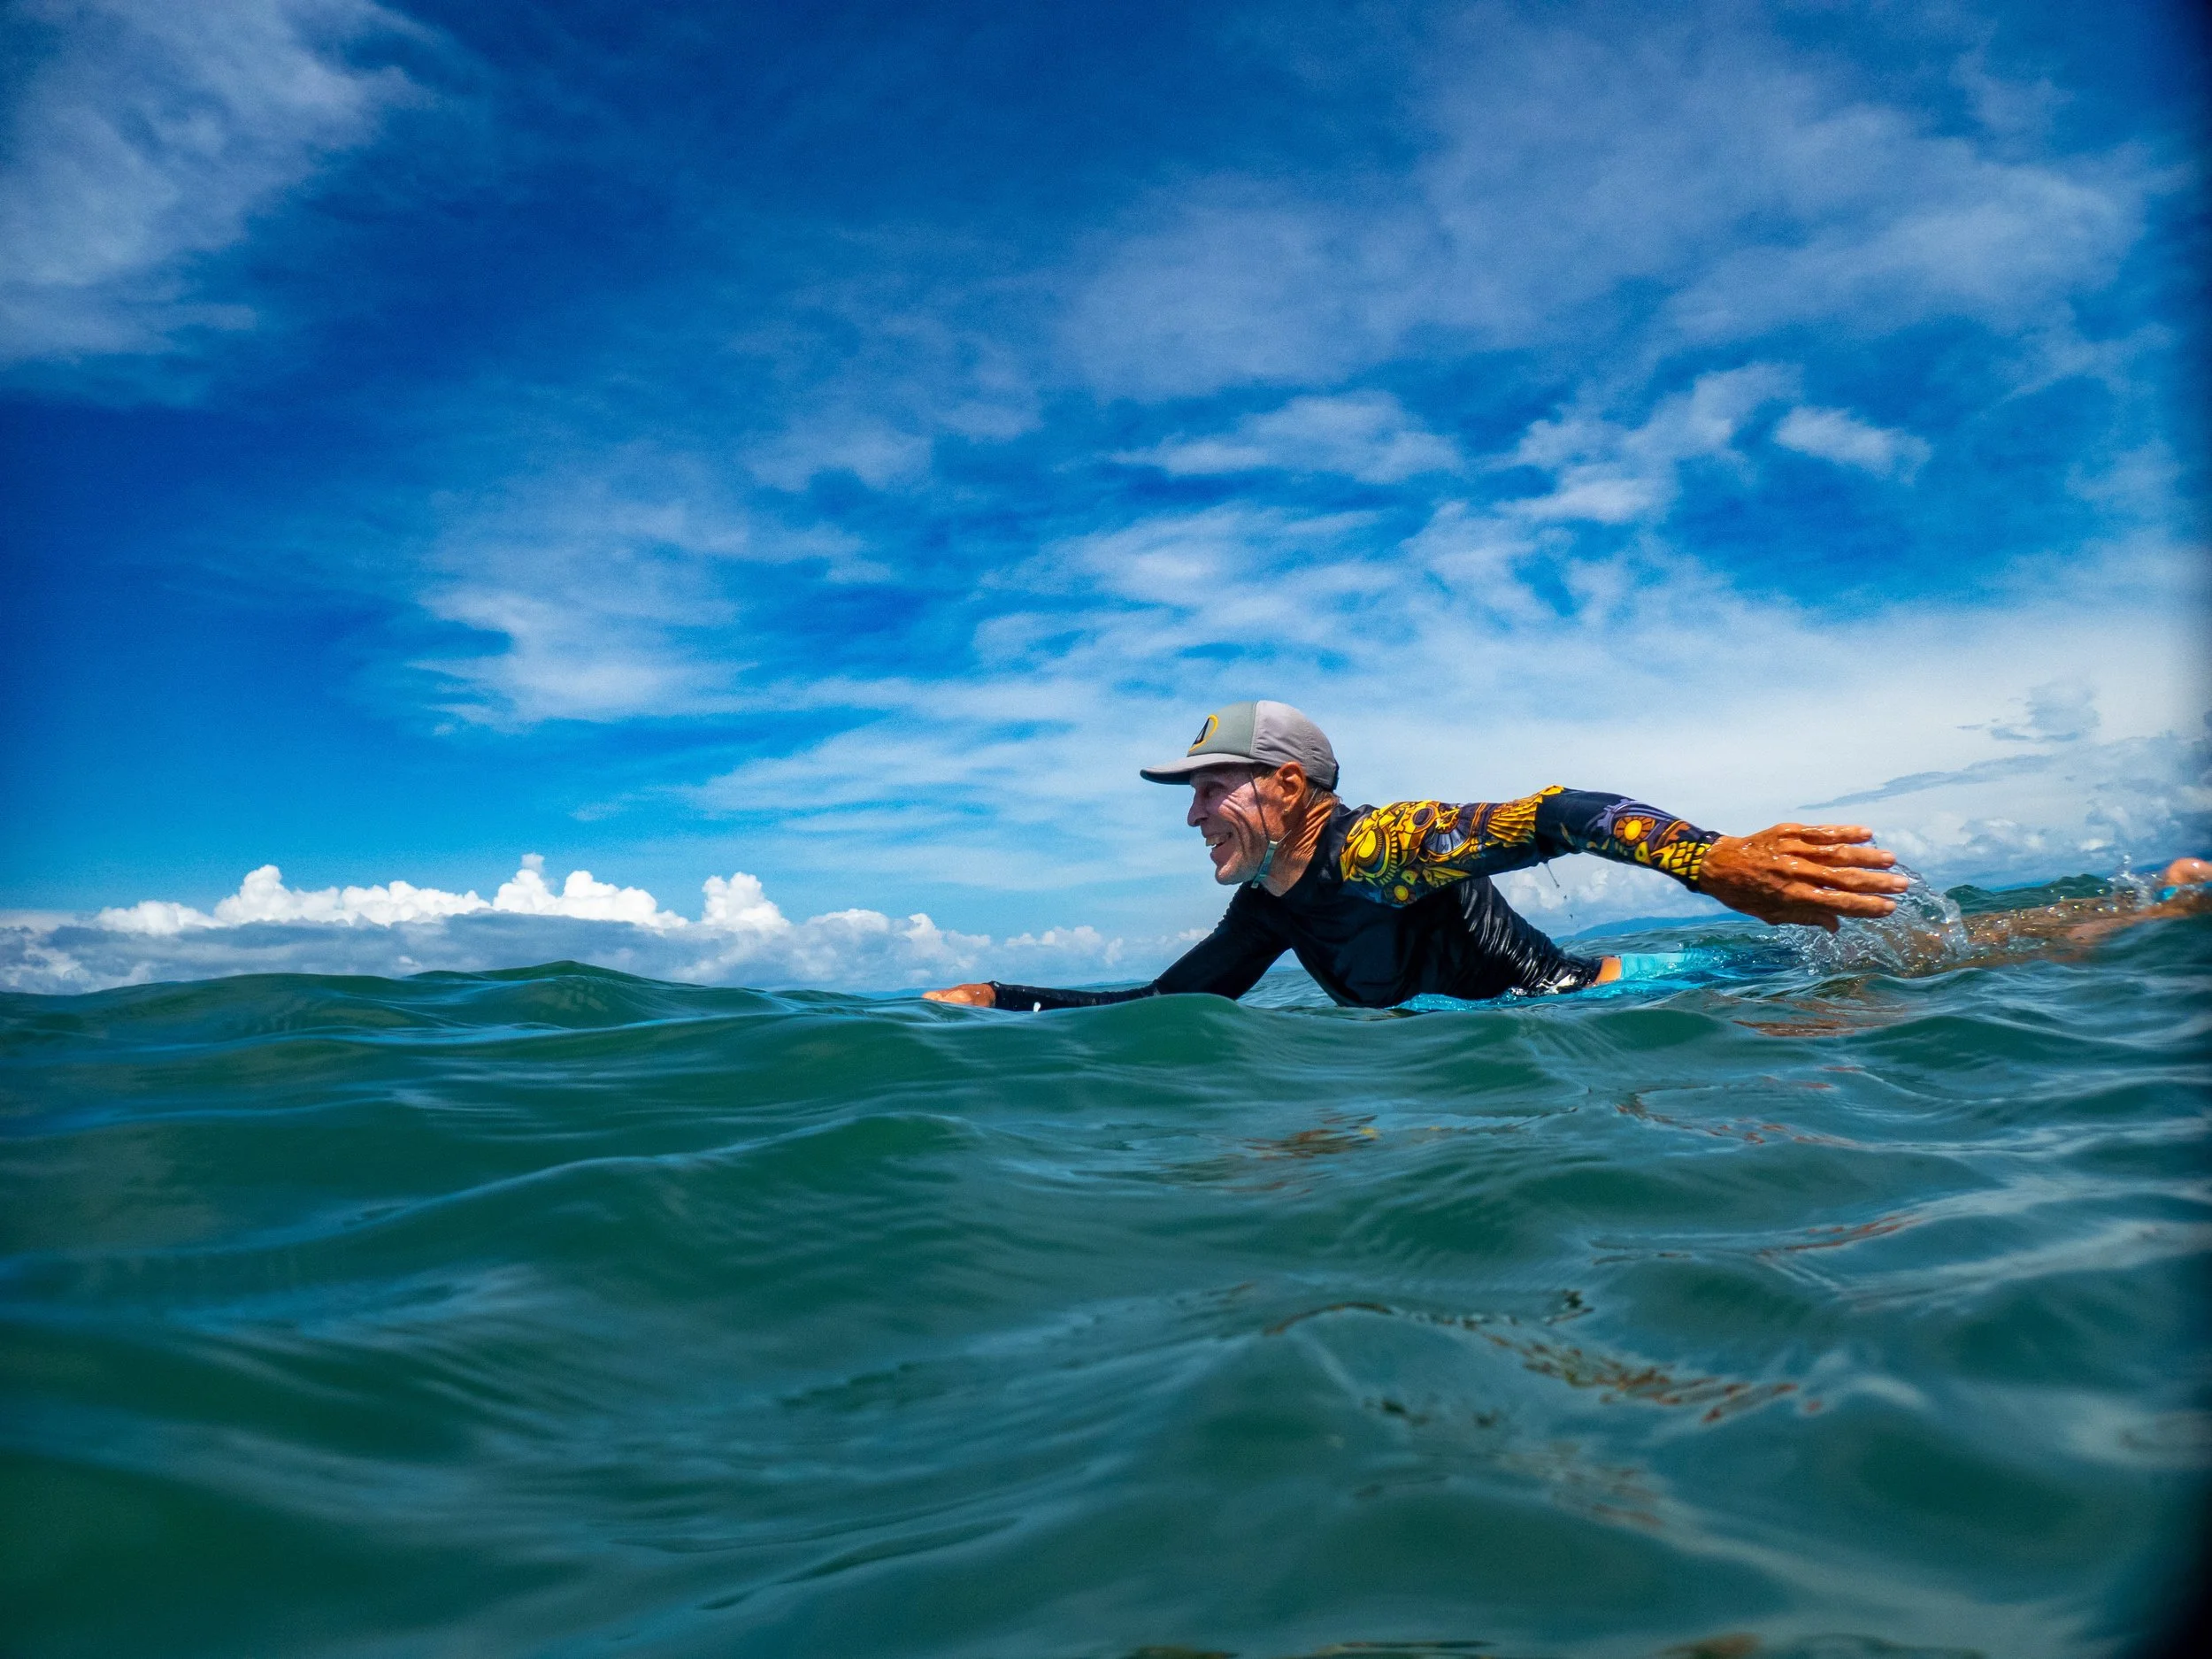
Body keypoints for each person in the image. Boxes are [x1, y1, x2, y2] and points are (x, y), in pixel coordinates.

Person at [925, 700, 1913, 1011]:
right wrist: (1000, 1000)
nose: (1195, 818)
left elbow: (1559, 813)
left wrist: (1712, 861)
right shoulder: (1270, 908)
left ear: (1287, 787)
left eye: (1210, 790)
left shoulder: (1377, 848)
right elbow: (1160, 1012)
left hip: (1626, 997)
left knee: (1947, 963)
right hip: (1533, 1038)